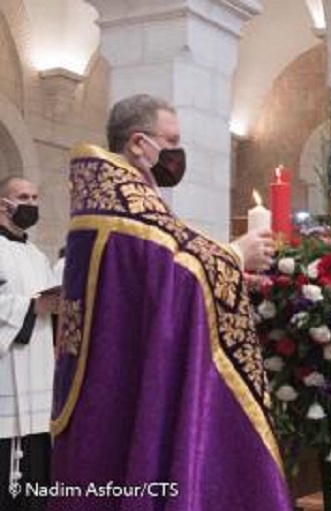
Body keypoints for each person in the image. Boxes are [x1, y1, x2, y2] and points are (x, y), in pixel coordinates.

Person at [50, 94, 292, 510]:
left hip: (111, 373)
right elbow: (176, 273)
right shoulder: (124, 209)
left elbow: (173, 257)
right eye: (172, 140)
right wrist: (236, 254)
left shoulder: (115, 201)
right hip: (119, 376)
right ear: (139, 143)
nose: (178, 154)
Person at [0, 176, 58, 511]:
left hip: (39, 376)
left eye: (36, 197)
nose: (31, 204)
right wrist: (31, 306)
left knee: (37, 479)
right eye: (24, 197)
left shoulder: (37, 255)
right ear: (3, 204)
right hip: (8, 376)